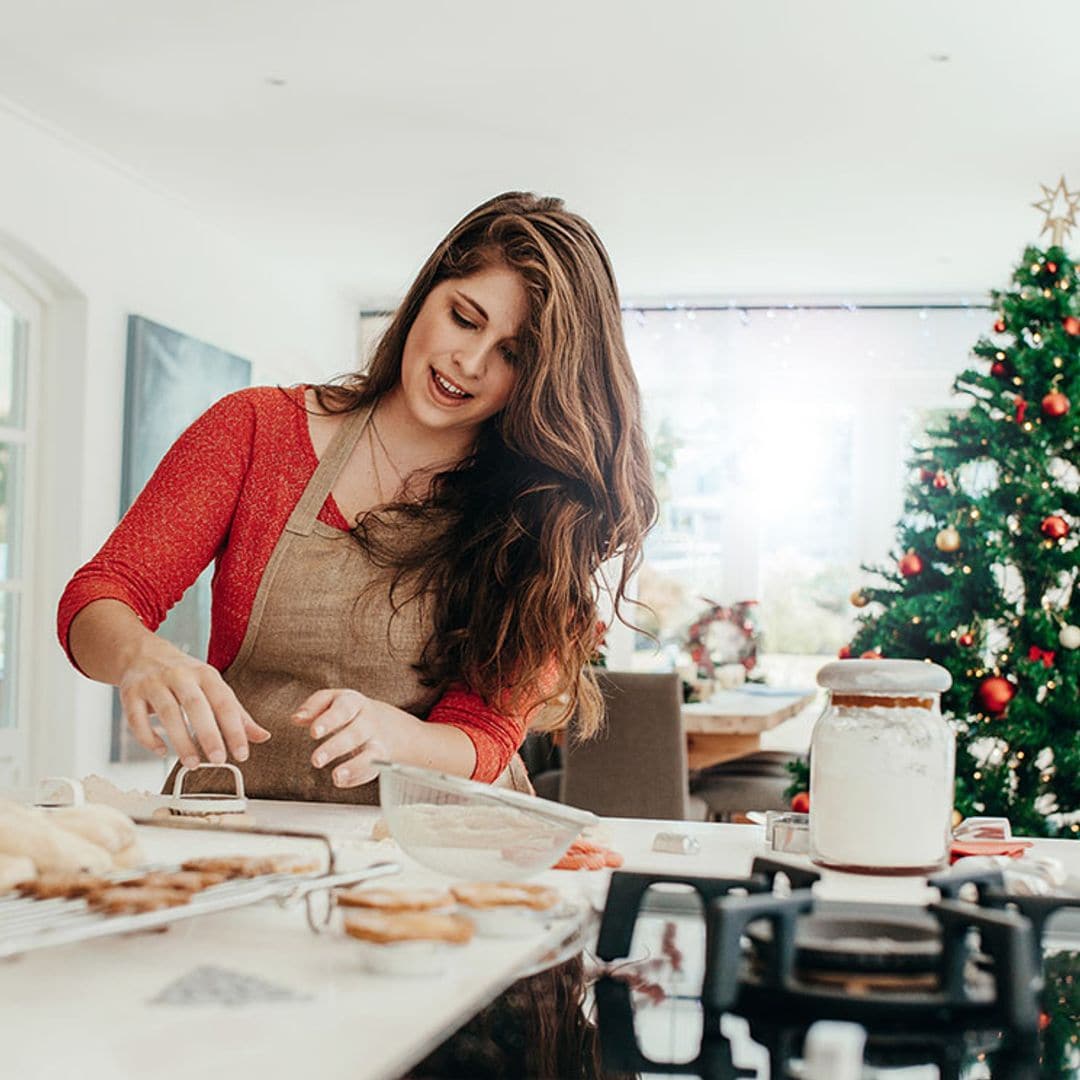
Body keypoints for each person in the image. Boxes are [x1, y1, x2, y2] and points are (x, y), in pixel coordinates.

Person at [57, 191, 658, 803]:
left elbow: (487, 733)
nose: (469, 362)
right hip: (237, 821)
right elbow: (103, 593)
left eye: (512, 353)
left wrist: (402, 737)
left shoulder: (539, 513)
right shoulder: (257, 430)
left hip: (437, 847)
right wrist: (140, 655)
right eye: (464, 318)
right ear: (427, 292)